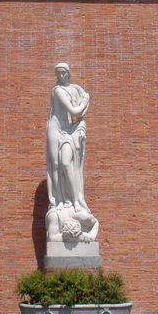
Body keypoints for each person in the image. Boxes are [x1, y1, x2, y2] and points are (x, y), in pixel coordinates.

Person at [46, 62, 90, 213]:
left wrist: (85, 99)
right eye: (58, 73)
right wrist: (84, 101)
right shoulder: (57, 90)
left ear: (69, 73)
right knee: (56, 165)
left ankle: (74, 200)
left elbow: (79, 114)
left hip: (69, 130)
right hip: (55, 128)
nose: (61, 76)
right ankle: (59, 200)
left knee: (66, 163)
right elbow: (74, 111)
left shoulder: (74, 89)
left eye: (63, 72)